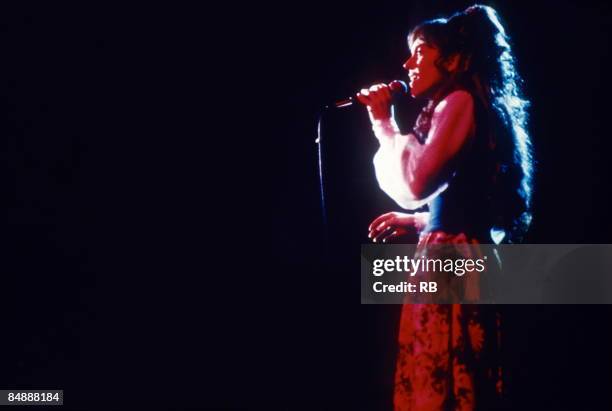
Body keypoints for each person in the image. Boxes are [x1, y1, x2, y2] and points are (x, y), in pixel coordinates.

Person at [356, 5, 533, 410]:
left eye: (419, 50)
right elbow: (465, 198)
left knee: (444, 381)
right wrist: (422, 221)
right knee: (449, 375)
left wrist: (383, 121)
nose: (407, 63)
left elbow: (415, 181)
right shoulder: (459, 102)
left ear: (451, 58)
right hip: (454, 252)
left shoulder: (458, 101)